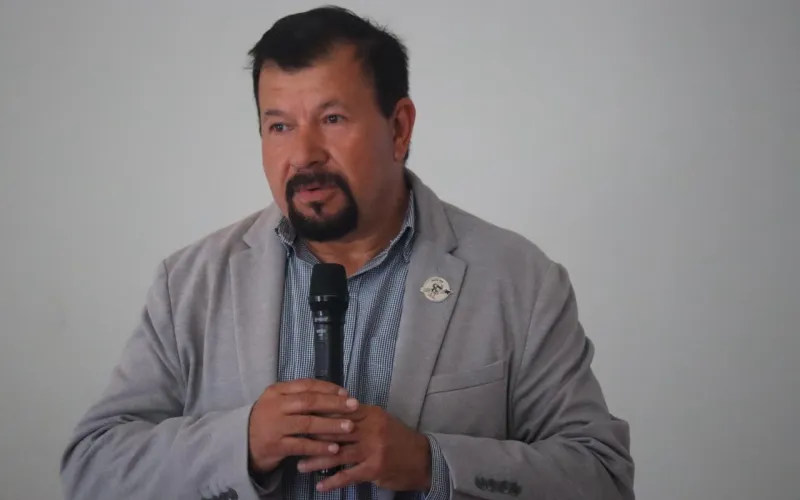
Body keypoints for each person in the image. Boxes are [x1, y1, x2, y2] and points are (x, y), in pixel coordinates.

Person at [60, 6, 635, 500]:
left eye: (332, 119)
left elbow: (603, 477)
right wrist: (243, 442)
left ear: (399, 128)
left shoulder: (518, 280)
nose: (304, 154)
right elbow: (93, 467)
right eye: (279, 126)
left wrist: (431, 463)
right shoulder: (190, 282)